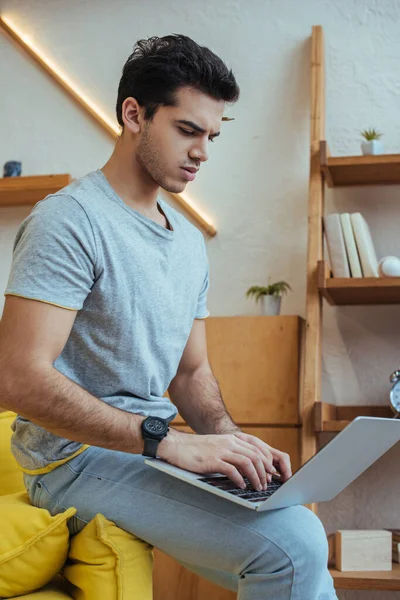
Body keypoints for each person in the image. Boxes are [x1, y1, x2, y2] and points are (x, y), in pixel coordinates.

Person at [0, 34, 337, 599]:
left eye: (212, 135)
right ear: (134, 114)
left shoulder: (185, 242)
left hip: (146, 449)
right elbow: (16, 377)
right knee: (295, 544)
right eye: (187, 130)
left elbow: (189, 373)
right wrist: (166, 441)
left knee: (296, 529)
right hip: (73, 463)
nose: (203, 151)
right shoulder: (68, 222)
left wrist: (234, 443)